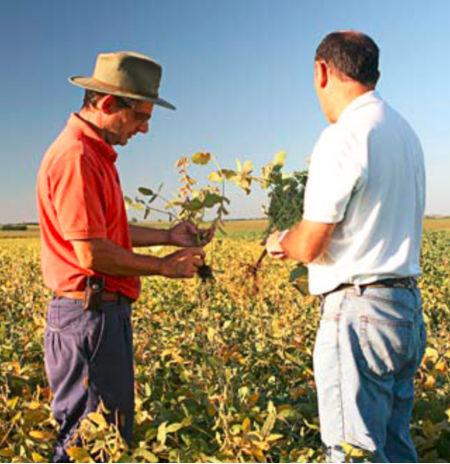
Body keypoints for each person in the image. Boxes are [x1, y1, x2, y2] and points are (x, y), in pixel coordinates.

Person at [37, 51, 213, 462]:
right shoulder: (76, 157)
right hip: (89, 318)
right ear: (107, 104)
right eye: (139, 116)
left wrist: (167, 236)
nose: (145, 128)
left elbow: (106, 231)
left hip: (96, 316)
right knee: (93, 442)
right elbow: (93, 252)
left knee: (106, 436)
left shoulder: (93, 154)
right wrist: (164, 267)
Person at [266, 31, 426, 462]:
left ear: (322, 71)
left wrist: (282, 242)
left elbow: (313, 241)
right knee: (394, 445)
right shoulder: (404, 131)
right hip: (405, 308)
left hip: (360, 312)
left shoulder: (343, 136)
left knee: (352, 451)